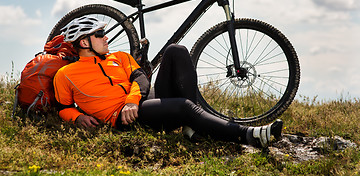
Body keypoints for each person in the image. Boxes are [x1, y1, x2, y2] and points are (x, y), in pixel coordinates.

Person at [53, 16, 283, 148]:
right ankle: (249, 135)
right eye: (99, 34)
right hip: (123, 118)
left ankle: (192, 126)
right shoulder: (65, 75)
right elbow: (62, 106)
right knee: (183, 106)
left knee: (176, 50)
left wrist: (132, 101)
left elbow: (140, 78)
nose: (106, 37)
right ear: (84, 43)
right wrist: (77, 116)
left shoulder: (118, 57)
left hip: (138, 103)